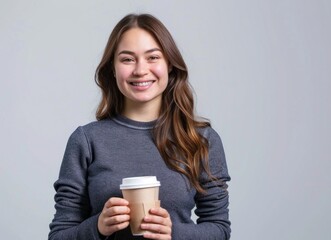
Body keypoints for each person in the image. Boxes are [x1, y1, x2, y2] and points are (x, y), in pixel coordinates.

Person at [48, 13, 231, 240]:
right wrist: (98, 227)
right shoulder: (87, 140)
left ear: (170, 65)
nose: (140, 70)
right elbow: (59, 236)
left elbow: (219, 230)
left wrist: (175, 233)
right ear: (112, 69)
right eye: (127, 59)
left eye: (153, 57)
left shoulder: (201, 139)